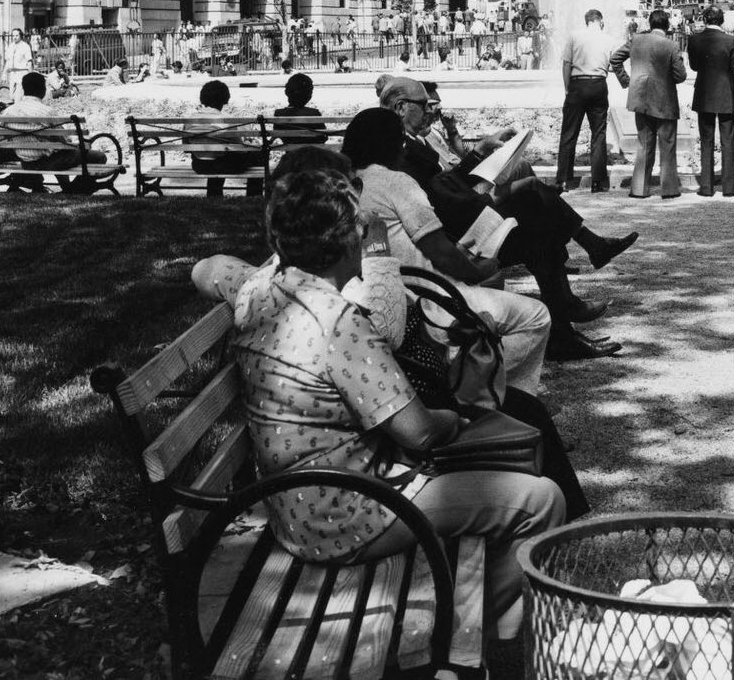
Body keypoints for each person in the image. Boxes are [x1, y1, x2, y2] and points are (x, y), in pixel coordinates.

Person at [221, 164, 566, 641]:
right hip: (350, 515)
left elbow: (211, 270)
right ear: (350, 242)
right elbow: (419, 432)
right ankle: (472, 636)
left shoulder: (262, 292)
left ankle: (498, 626)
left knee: (507, 459)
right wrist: (457, 416)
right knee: (541, 499)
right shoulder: (339, 323)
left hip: (294, 507)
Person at [380, 75, 636, 360]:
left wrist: (478, 152)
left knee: (537, 222)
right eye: (424, 104)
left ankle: (565, 323)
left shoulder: (413, 143)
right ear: (402, 107)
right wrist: (487, 200)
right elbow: (444, 201)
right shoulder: (402, 151)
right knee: (534, 210)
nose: (431, 110)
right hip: (457, 239)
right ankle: (569, 305)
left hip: (458, 225)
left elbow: (447, 188)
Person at [342, 108, 551, 395]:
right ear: (393, 145)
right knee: (536, 316)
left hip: (383, 292)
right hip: (427, 297)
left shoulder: (344, 185)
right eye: (402, 142)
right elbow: (440, 253)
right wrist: (480, 268)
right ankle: (485, 393)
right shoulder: (395, 182)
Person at [608, 8, 687, 199]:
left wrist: (627, 81)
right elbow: (681, 76)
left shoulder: (636, 40)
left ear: (650, 24)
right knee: (667, 145)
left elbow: (614, 59)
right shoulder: (671, 46)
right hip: (664, 100)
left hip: (640, 98)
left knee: (644, 144)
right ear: (667, 26)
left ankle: (639, 189)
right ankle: (668, 189)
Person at [5, 71, 105, 193]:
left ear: (24, 89)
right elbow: (64, 141)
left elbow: (0, 137)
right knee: (99, 157)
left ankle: (67, 188)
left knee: (59, 152)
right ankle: (73, 191)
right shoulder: (46, 112)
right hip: (50, 162)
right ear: (41, 90)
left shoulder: (8, 111)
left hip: (25, 162)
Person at [687, 4, 734, 197]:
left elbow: (694, 66)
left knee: (706, 140)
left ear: (704, 19)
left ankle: (706, 186)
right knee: (728, 141)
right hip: (727, 94)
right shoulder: (731, 40)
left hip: (704, 94)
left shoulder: (694, 40)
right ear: (722, 20)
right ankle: (729, 187)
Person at [555, 8, 615, 193]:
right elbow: (613, 66)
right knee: (598, 133)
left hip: (577, 84)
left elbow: (566, 63)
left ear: (587, 21)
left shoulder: (574, 36)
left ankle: (563, 180)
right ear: (601, 21)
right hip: (598, 84)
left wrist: (567, 87)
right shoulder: (609, 39)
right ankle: (598, 181)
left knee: (569, 133)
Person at [188, 79, 265, 197]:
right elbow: (239, 147)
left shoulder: (191, 119)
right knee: (259, 155)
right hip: (224, 165)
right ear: (224, 99)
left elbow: (186, 146)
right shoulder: (227, 119)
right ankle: (253, 195)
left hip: (199, 165)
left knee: (218, 156)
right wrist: (250, 142)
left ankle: (214, 195)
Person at [272, 72, 329, 145]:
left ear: (287, 93)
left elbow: (278, 135)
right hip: (312, 154)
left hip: (291, 155)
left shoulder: (279, 113)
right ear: (308, 96)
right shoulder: (314, 113)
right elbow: (323, 137)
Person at [3, 28, 32, 100]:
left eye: (17, 35)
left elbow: (29, 61)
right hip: (12, 74)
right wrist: (4, 73)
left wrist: (31, 75)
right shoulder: (11, 46)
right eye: (13, 35)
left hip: (22, 73)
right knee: (11, 96)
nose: (14, 37)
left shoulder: (25, 46)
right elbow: (8, 61)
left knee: (18, 97)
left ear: (21, 36)